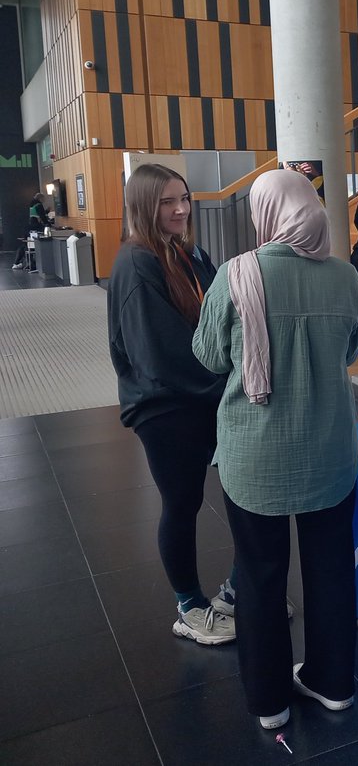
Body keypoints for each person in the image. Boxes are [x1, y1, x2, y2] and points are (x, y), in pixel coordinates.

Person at [193, 169, 358, 730]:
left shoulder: (235, 274)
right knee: (330, 570)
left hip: (254, 457)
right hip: (329, 453)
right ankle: (333, 682)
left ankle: (269, 702)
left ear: (266, 213)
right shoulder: (346, 279)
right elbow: (353, 349)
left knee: (260, 575)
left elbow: (209, 356)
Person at [107, 163, 236, 645]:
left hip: (200, 397)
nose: (181, 208)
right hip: (166, 407)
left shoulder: (184, 252)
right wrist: (225, 381)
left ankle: (235, 592)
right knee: (181, 503)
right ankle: (189, 606)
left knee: (233, 492)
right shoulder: (138, 261)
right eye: (167, 202)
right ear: (144, 205)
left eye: (184, 198)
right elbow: (159, 353)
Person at [11, 193, 49, 269]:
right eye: (43, 199)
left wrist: (46, 211)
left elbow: (37, 214)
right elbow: (42, 216)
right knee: (31, 245)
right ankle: (28, 263)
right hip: (35, 228)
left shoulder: (32, 205)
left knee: (26, 245)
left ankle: (19, 262)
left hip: (28, 228)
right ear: (40, 198)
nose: (44, 200)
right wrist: (48, 225)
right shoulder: (38, 205)